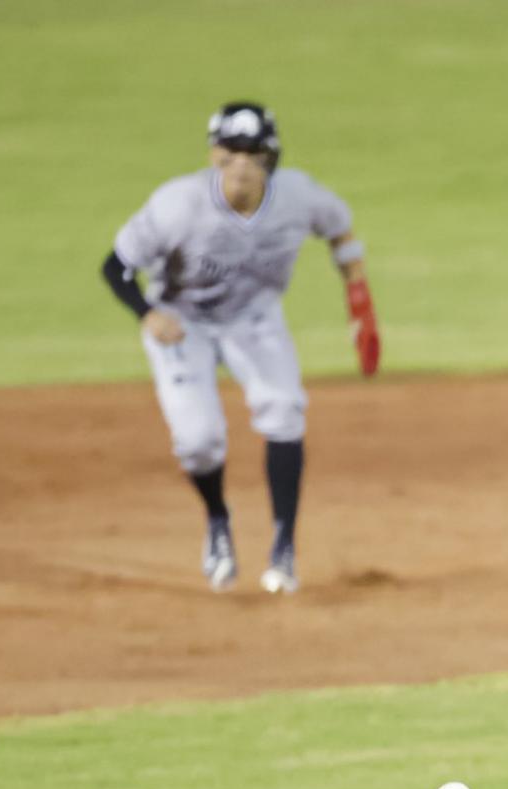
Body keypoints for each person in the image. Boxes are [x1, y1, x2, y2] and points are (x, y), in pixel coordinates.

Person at [101, 101, 380, 594]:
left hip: (255, 321)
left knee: (284, 411)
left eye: (254, 153)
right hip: (183, 327)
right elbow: (116, 266)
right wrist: (148, 314)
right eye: (232, 152)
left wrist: (360, 302)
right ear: (214, 155)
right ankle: (217, 521)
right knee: (198, 441)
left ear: (272, 156)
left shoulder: (298, 196)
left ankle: (284, 548)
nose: (243, 164)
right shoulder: (178, 204)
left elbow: (341, 232)